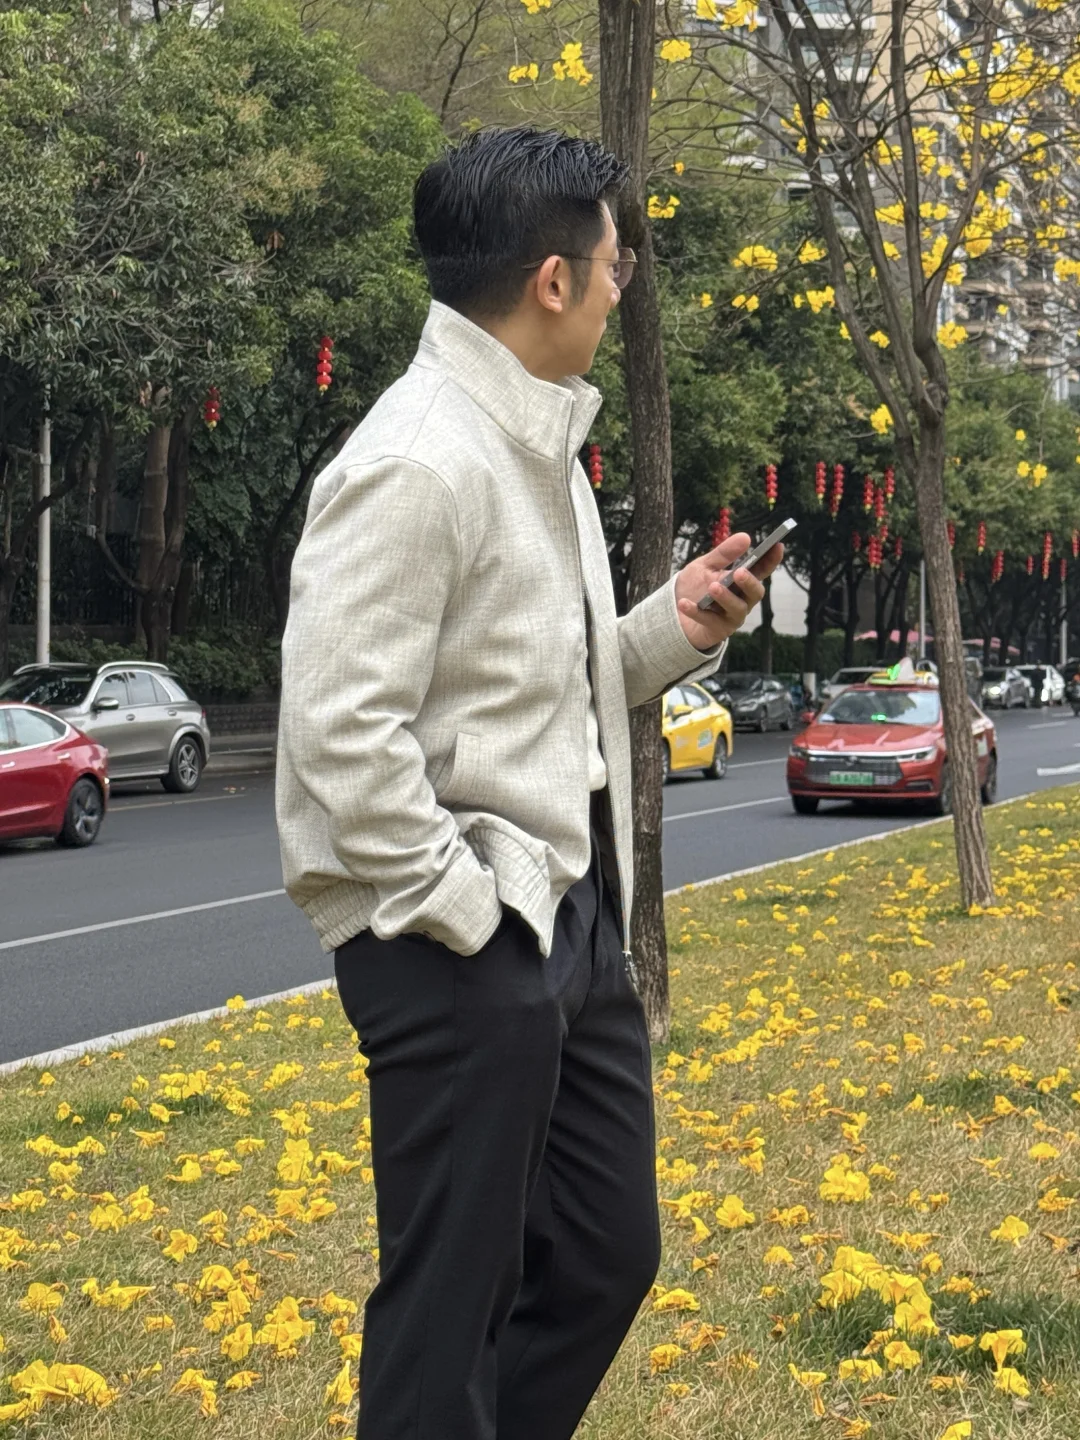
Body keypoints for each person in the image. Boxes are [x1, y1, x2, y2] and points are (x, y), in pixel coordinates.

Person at [275, 125, 781, 1440]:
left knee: (606, 1253)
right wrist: (466, 911)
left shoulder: (532, 445)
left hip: (568, 912)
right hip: (460, 936)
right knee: (451, 1305)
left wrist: (678, 624)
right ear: (554, 280)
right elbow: (338, 733)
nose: (624, 287)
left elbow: (545, 685)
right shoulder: (415, 459)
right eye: (620, 264)